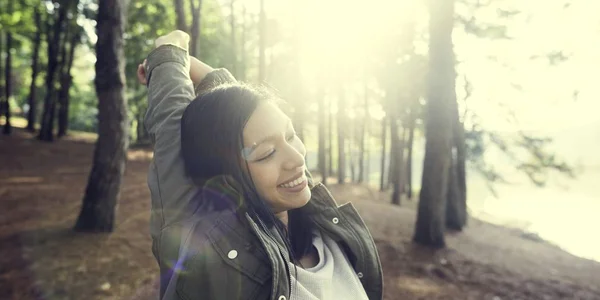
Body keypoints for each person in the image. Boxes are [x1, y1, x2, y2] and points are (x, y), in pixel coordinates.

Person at [138, 30, 383, 300]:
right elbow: (172, 126)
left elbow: (240, 109)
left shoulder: (316, 219)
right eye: (266, 153)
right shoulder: (207, 245)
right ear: (223, 179)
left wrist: (184, 59)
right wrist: (167, 56)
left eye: (291, 136)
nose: (297, 158)